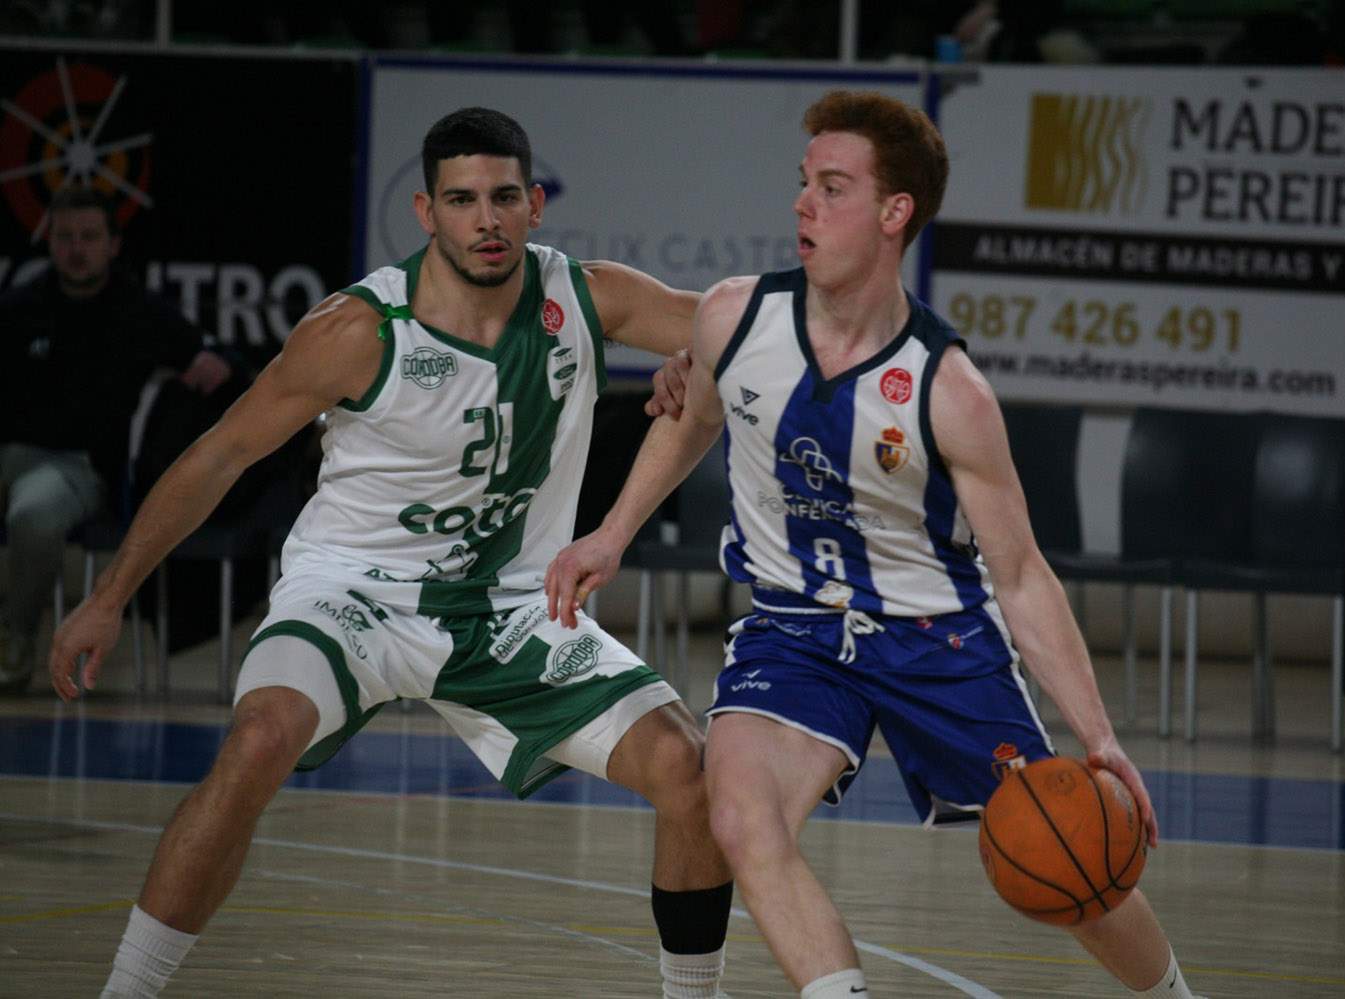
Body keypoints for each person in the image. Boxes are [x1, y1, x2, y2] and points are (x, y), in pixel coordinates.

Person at [49, 107, 732, 998]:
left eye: (501, 198)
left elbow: (743, 330)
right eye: (461, 200)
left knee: (687, 767)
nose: (484, 219)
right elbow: (219, 454)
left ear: (534, 206)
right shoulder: (359, 329)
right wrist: (108, 595)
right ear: (425, 212)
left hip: (511, 609)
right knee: (257, 740)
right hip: (355, 595)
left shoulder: (589, 298)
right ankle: (125, 991)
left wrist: (699, 355)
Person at [546, 90, 1201, 999]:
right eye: (803, 183)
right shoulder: (736, 318)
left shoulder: (949, 389)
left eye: (833, 187)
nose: (803, 204)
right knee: (738, 810)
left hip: (938, 637)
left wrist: (1098, 736)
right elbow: (691, 418)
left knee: (1066, 853)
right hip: (794, 631)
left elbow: (1019, 572)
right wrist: (610, 534)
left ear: (895, 213)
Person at [0, 186, 231, 695]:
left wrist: (204, 369)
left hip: (75, 466)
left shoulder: (141, 311)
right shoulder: (19, 305)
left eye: (88, 237)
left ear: (113, 244)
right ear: (50, 243)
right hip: (8, 454)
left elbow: (211, 365)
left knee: (32, 514)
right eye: (64, 238)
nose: (76, 248)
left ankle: (14, 639)